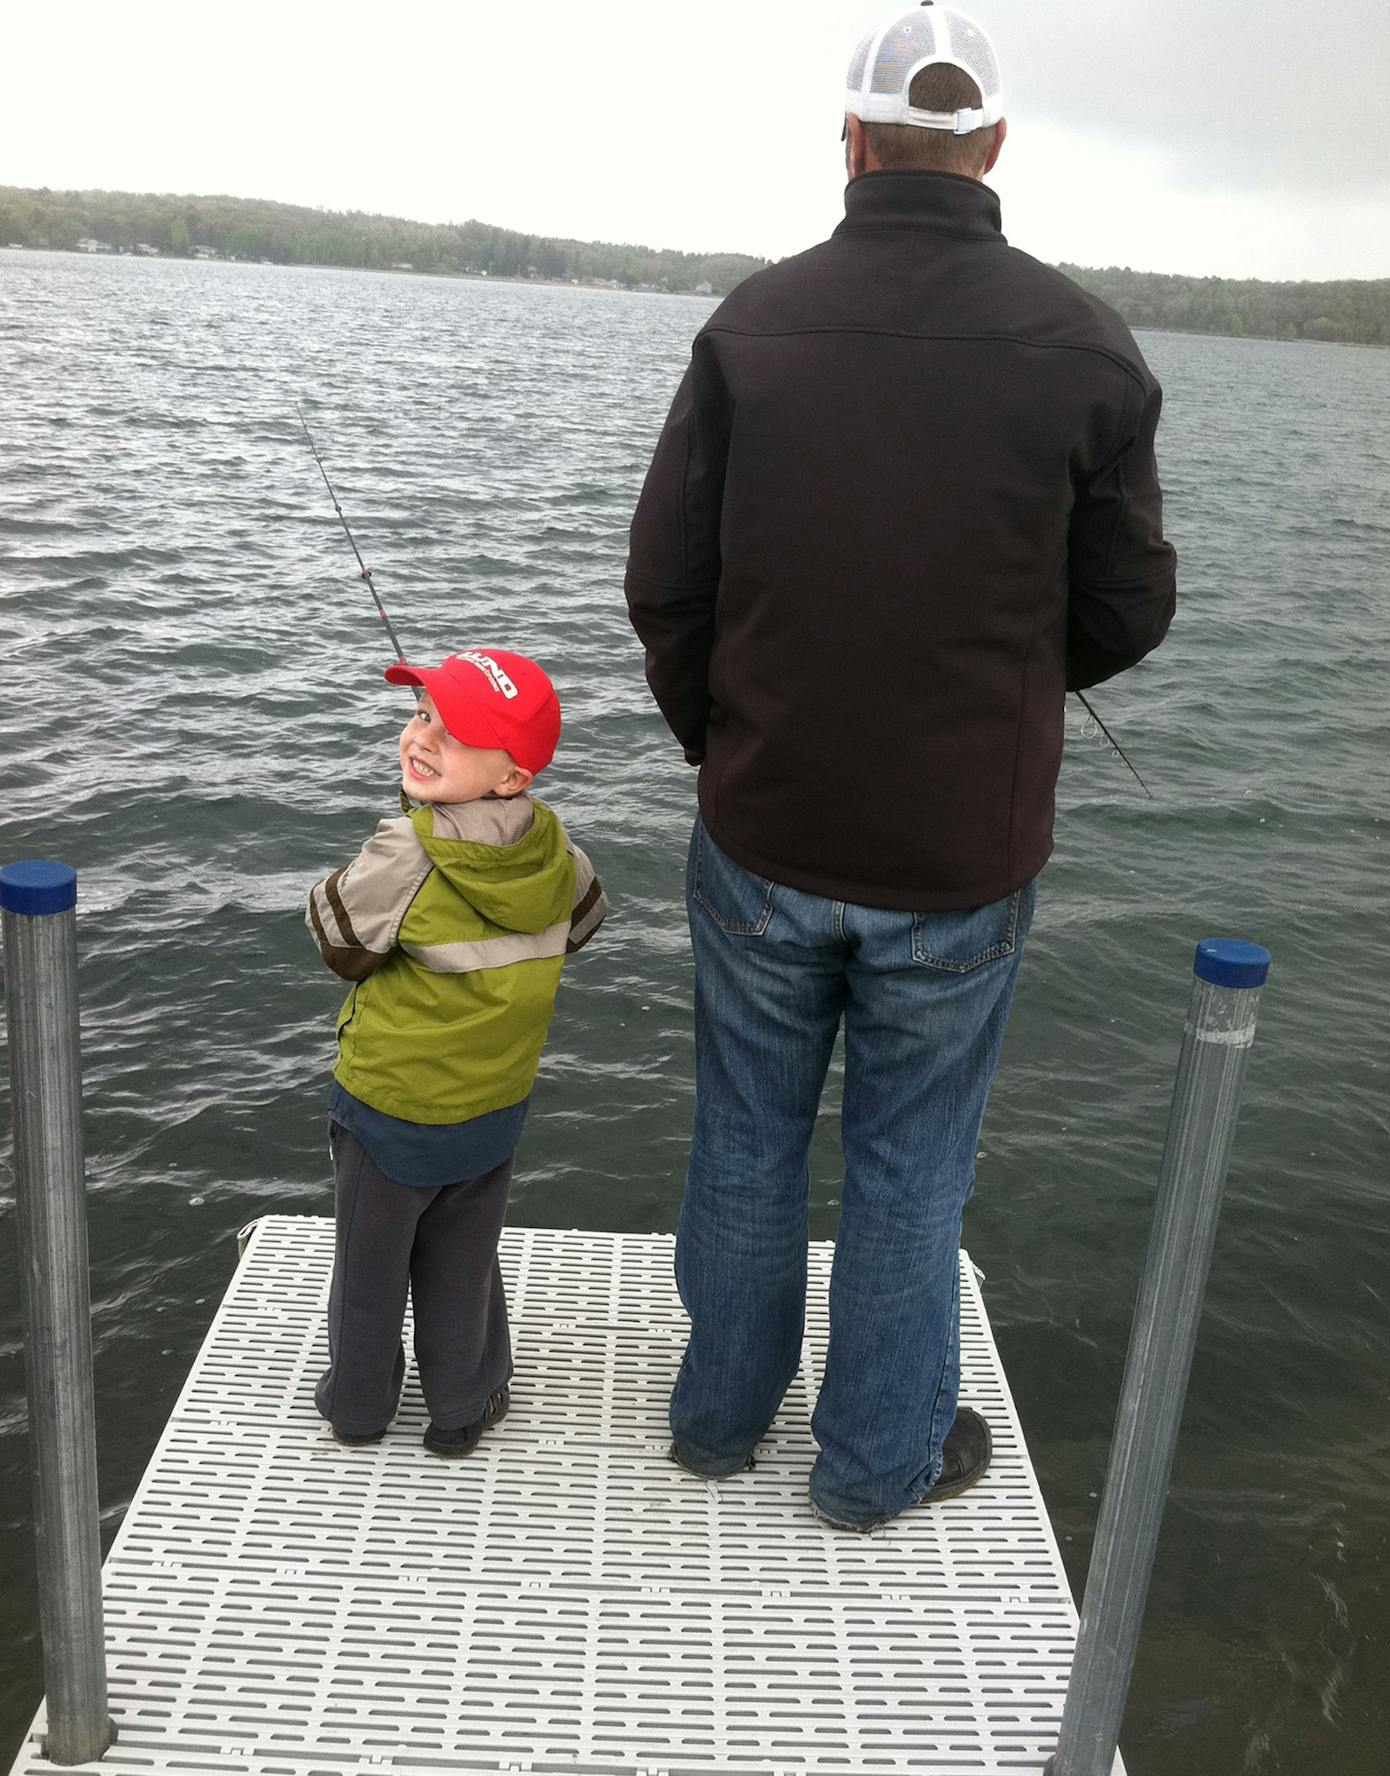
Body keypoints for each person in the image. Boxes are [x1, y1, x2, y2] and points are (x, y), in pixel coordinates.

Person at [625, 4, 1175, 1530]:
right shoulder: (1089, 350)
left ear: (850, 142)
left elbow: (664, 585)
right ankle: (874, 1466)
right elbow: (1130, 610)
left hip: (762, 833)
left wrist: (723, 742)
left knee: (742, 1132)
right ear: (993, 147)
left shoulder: (752, 324)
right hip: (960, 861)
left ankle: (721, 1423)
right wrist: (1001, 689)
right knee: (909, 1168)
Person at [305, 648, 606, 1456]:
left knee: (369, 1276)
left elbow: (336, 938)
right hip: (493, 1113)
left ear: (512, 774)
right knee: (462, 1267)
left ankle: (360, 1409)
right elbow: (582, 920)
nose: (421, 737)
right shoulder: (555, 849)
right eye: (422, 714)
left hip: (389, 1110)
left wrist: (399, 848)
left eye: (455, 731)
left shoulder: (406, 849)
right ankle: (460, 1412)